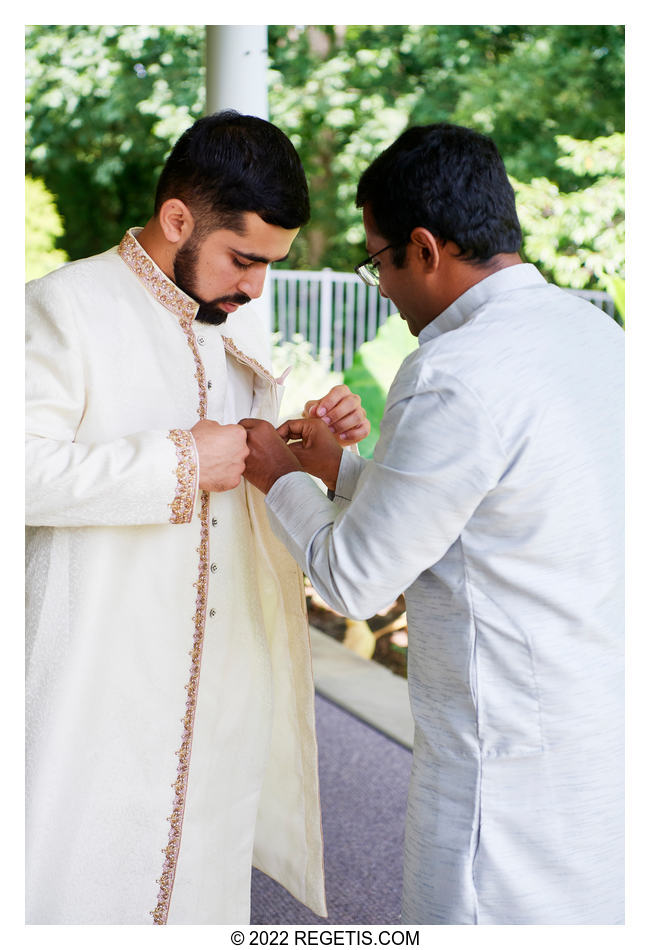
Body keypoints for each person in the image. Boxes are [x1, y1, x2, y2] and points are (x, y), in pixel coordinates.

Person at [240, 122, 624, 925]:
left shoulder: (455, 370)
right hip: (600, 740)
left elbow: (355, 578)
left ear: (423, 248)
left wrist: (275, 474)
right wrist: (334, 471)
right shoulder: (598, 337)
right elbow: (481, 511)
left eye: (377, 259)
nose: (379, 284)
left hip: (502, 773)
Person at [25, 110, 369, 925]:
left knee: (201, 896)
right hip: (97, 676)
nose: (256, 287)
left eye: (269, 266)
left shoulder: (227, 320)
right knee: (76, 883)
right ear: (177, 218)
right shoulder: (60, 308)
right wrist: (180, 461)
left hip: (216, 686)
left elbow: (235, 463)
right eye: (244, 258)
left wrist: (297, 445)